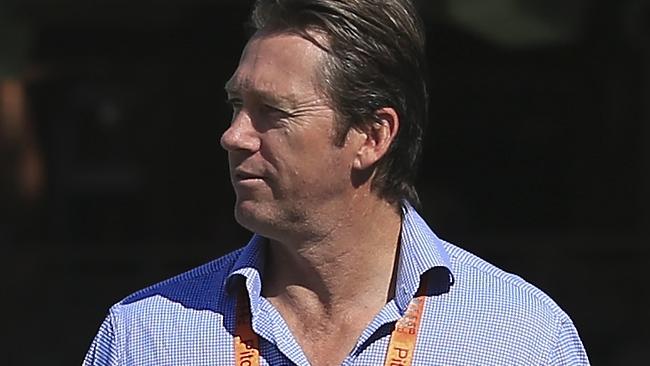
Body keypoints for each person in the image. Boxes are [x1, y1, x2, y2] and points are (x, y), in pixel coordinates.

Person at [84, 0, 589, 365]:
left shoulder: (521, 339)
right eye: (237, 106)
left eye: (272, 113)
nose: (233, 136)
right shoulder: (148, 337)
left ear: (372, 135)